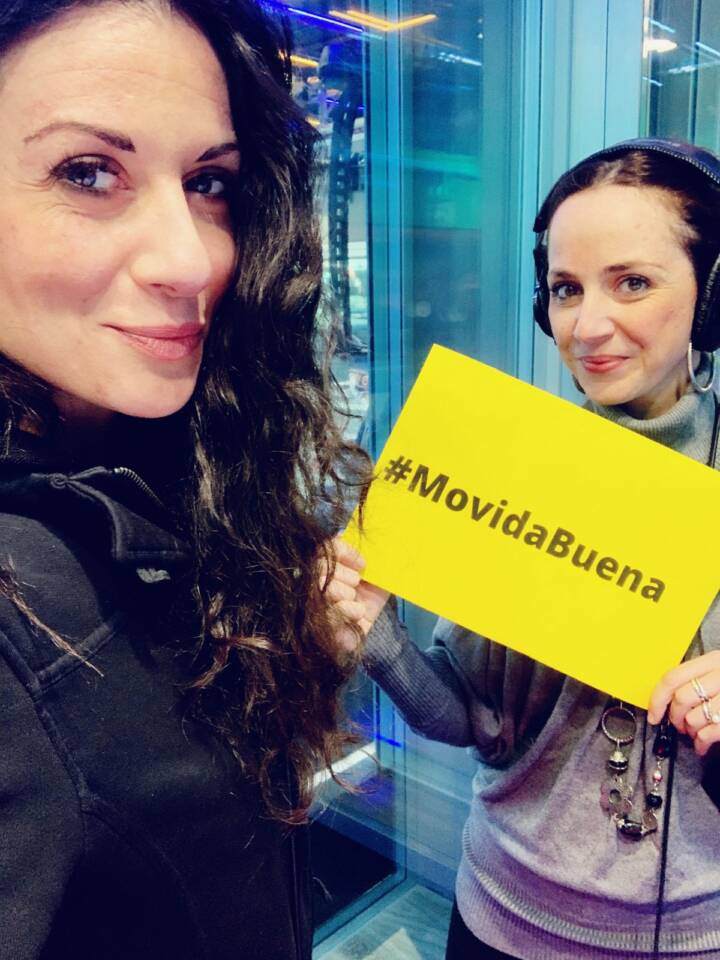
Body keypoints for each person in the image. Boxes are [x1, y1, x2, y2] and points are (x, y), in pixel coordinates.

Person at [0, 2, 367, 957]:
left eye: (210, 183)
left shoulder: (161, 474)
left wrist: (296, 651)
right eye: (87, 172)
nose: (192, 258)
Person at [328, 138, 720, 959]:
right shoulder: (516, 469)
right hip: (503, 916)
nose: (588, 326)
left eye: (633, 282)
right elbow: (470, 719)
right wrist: (375, 637)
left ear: (712, 294)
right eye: (566, 289)